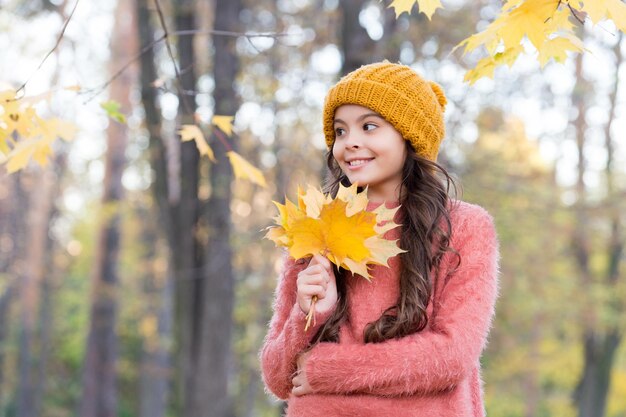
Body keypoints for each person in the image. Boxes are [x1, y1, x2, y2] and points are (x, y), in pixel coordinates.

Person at [260, 61, 500, 417]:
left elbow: (452, 356)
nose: (350, 143)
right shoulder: (317, 227)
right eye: (340, 132)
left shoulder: (463, 226)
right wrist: (306, 313)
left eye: (369, 126)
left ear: (410, 135)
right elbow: (279, 378)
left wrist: (329, 369)